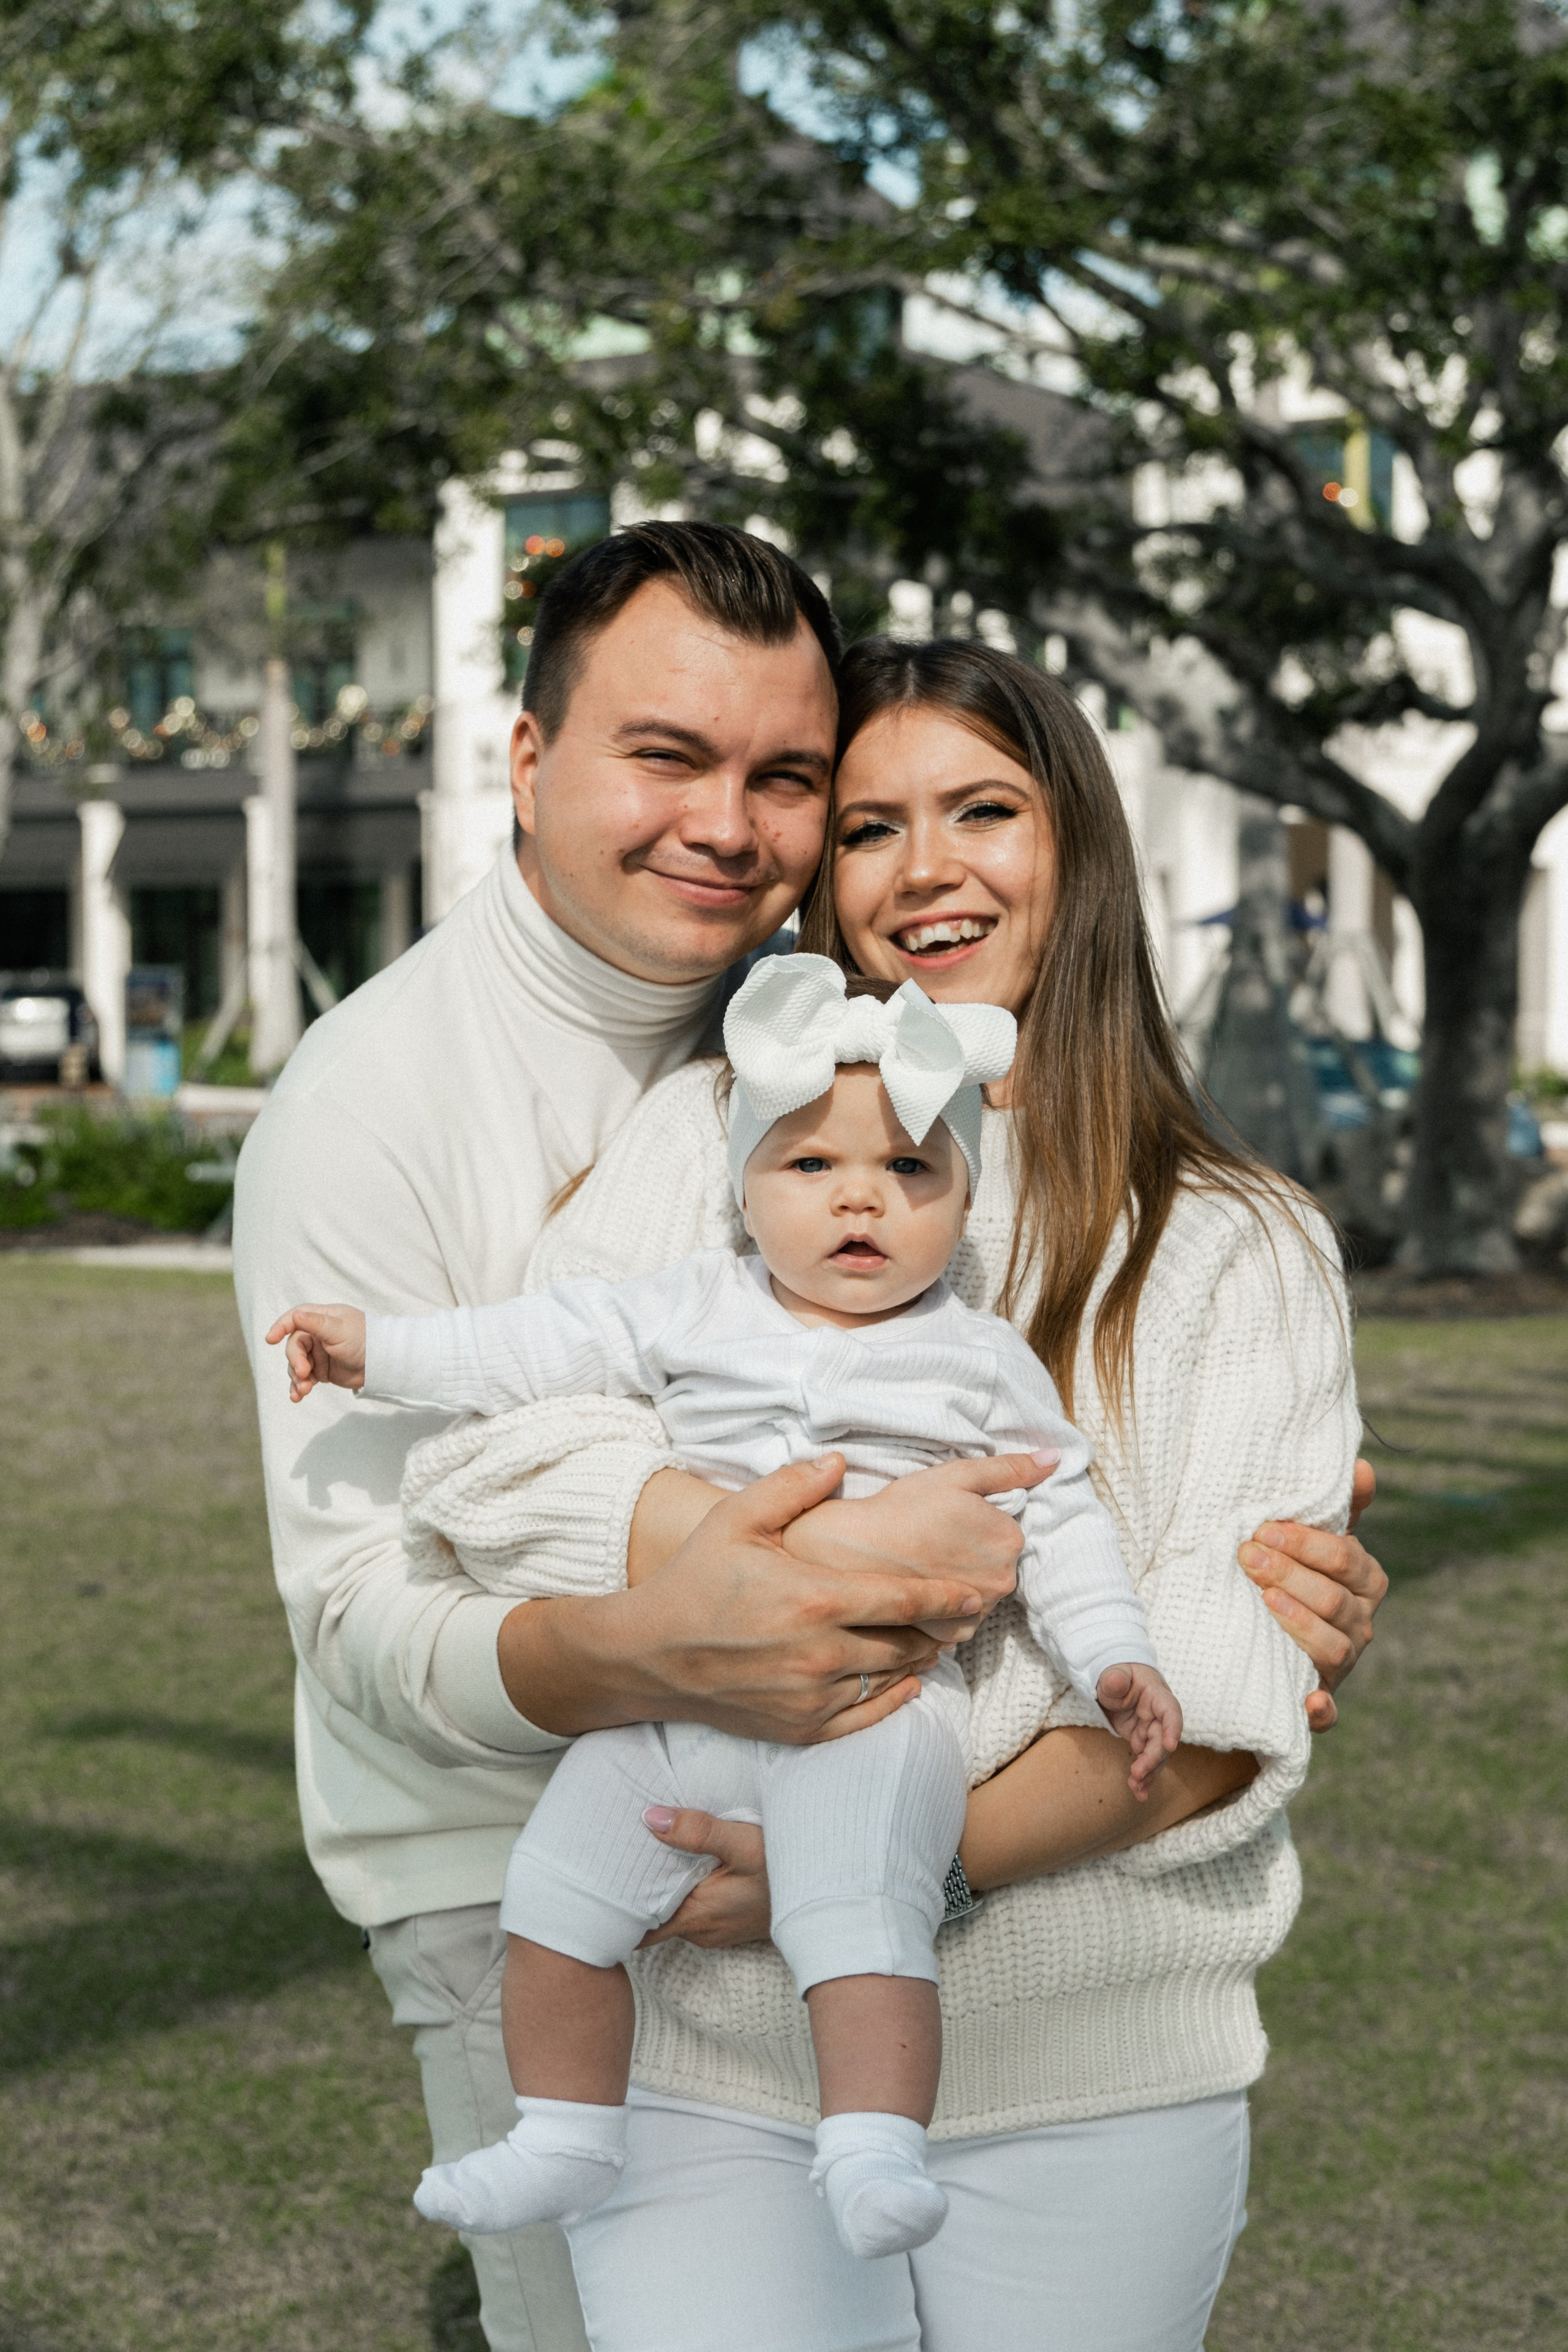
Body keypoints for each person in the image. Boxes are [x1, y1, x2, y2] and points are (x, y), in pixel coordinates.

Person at [232, 521, 1385, 2352]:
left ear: (1080, 840)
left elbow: (1227, 1679)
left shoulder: (1238, 1241)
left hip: (1095, 2056)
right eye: (866, 824)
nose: (922, 867)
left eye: (984, 810)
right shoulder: (712, 1139)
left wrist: (889, 1863)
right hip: (709, 2043)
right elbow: (479, 1459)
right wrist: (768, 1546)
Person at [265, 956, 1182, 2260]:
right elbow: (530, 1345)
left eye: (911, 1171)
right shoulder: (693, 1302)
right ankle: (560, 2135)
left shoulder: (979, 1359)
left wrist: (1114, 1658)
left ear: (961, 1201)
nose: (860, 1195)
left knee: (860, 1917)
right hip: (679, 1691)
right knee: (555, 1895)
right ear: (746, 1192)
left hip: (874, 1708)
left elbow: (1058, 1517)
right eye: (808, 1167)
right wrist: (382, 1350)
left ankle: (871, 2149)